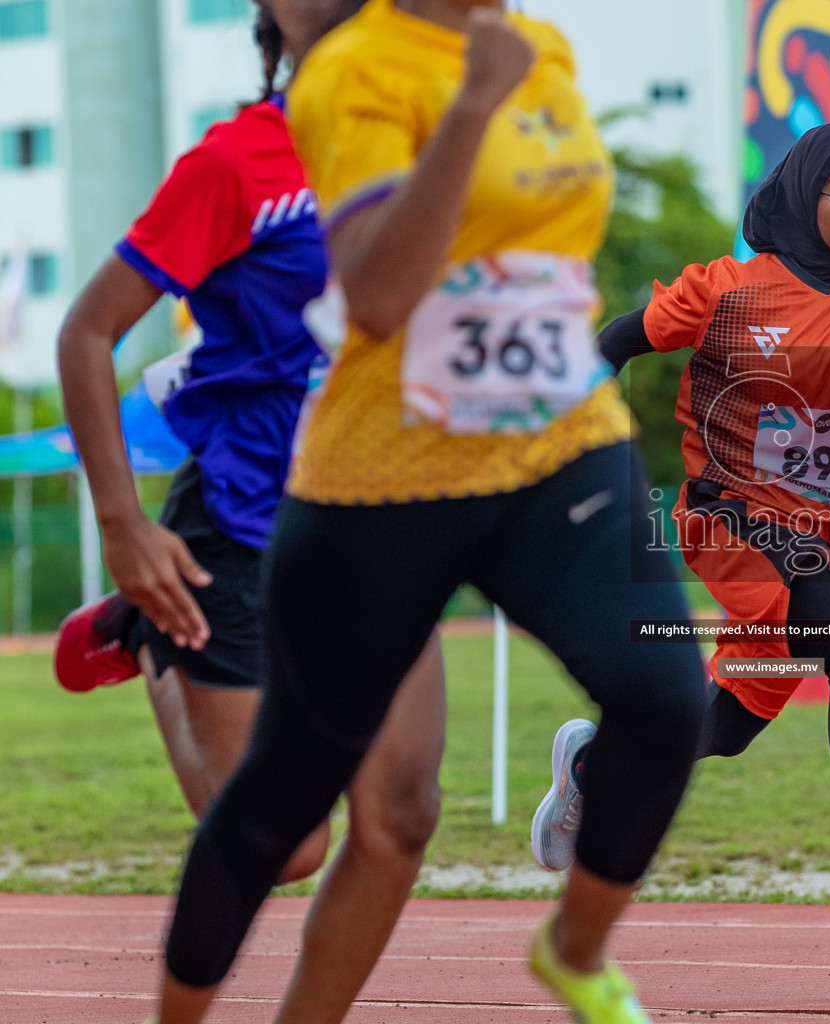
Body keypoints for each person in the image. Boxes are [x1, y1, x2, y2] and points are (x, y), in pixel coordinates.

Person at [150, 2, 707, 1023]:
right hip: (383, 479)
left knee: (667, 695)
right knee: (281, 801)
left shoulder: (543, 47)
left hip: (554, 444)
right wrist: (473, 101)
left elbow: (544, 240)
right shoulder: (353, 70)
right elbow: (376, 292)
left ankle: (574, 950)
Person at [54, 4, 450, 1023]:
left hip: (385, 522)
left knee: (402, 815)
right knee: (290, 842)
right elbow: (87, 332)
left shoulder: (435, 142)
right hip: (240, 523)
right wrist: (119, 526)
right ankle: (149, 636)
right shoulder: (235, 163)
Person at [530, 122, 830, 961]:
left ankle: (597, 766)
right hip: (729, 514)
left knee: (731, 721)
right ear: (802, 193)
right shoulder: (729, 289)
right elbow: (616, 343)